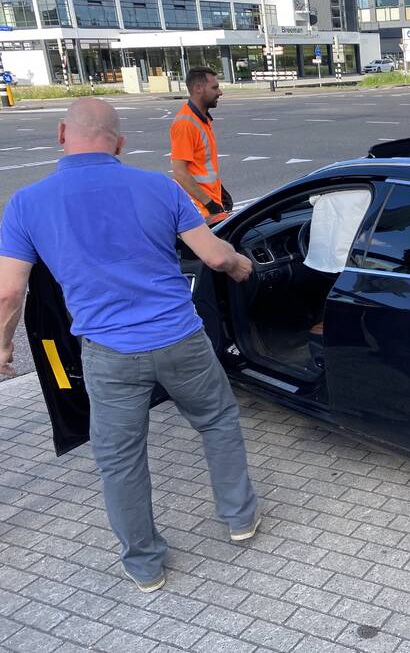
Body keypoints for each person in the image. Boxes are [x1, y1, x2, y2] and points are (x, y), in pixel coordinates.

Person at [0, 98, 259, 593]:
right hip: (180, 338)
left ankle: (146, 566)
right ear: (119, 143)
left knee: (120, 460)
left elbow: (10, 291)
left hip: (108, 354)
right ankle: (239, 518)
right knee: (217, 422)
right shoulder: (158, 186)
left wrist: (4, 349)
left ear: (61, 134)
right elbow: (211, 253)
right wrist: (240, 264)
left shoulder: (27, 203)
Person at [171, 66, 232, 224]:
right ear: (198, 88)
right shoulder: (185, 123)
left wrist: (221, 192)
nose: (220, 92)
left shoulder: (201, 119)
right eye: (215, 87)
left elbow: (203, 166)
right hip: (201, 213)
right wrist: (210, 204)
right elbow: (180, 173)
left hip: (209, 206)